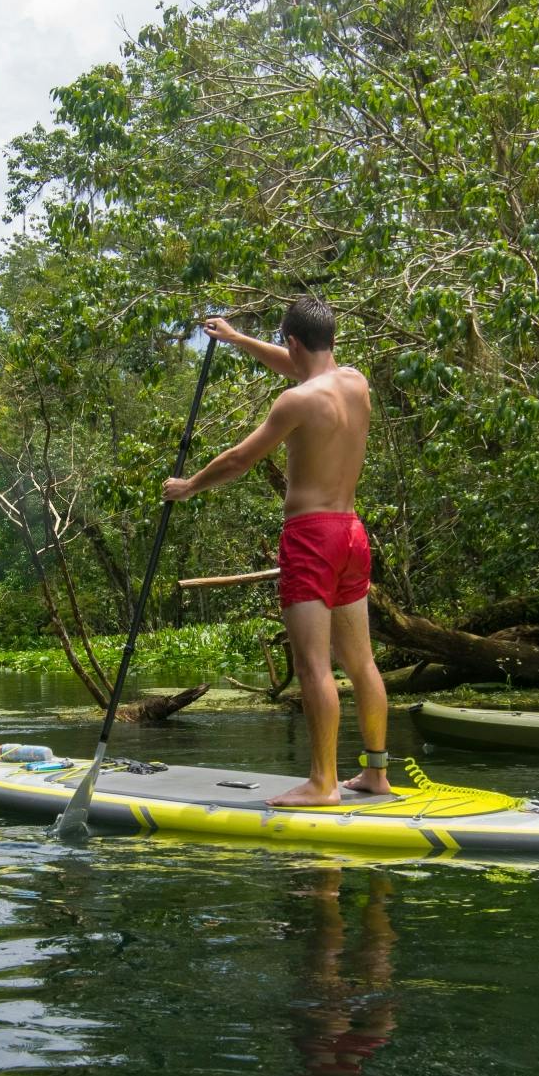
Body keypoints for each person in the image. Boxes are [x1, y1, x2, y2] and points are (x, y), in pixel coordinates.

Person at [162, 297, 388, 806]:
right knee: (362, 663)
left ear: (291, 341)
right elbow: (301, 366)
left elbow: (240, 459)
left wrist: (189, 486)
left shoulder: (295, 402)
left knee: (313, 666)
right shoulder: (355, 382)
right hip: (352, 533)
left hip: (312, 537)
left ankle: (323, 783)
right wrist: (237, 339)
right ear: (330, 339)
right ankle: (376, 774)